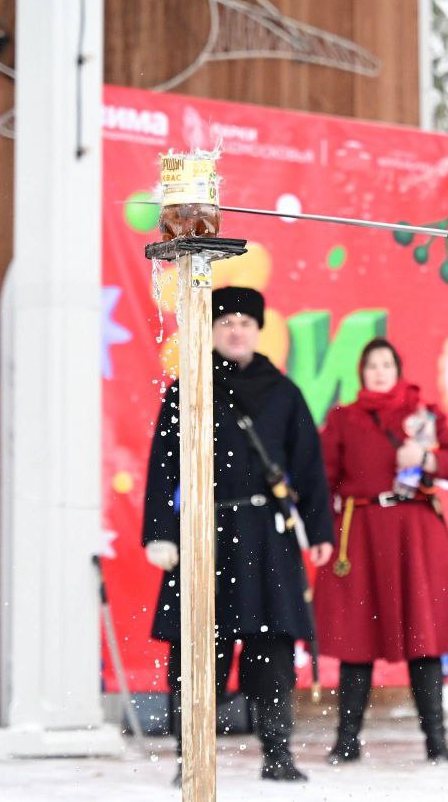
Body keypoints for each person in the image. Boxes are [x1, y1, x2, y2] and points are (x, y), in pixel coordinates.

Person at [142, 286, 334, 784]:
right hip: (203, 534)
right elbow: (164, 469)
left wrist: (318, 529)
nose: (235, 330)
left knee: (271, 649)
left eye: (245, 322)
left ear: (257, 329)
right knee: (197, 648)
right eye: (225, 321)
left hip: (267, 536)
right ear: (210, 330)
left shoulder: (283, 391)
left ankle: (277, 752)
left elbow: (309, 468)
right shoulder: (188, 388)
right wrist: (161, 533)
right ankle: (191, 757)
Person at [313, 338, 448, 764]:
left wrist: (426, 457)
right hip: (361, 535)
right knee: (357, 641)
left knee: (424, 640)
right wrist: (326, 535)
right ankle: (346, 740)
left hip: (415, 535)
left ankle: (436, 742)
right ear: (361, 373)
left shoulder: (422, 415)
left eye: (387, 364)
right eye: (372, 366)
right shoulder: (344, 419)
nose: (380, 372)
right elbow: (324, 478)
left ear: (398, 369)